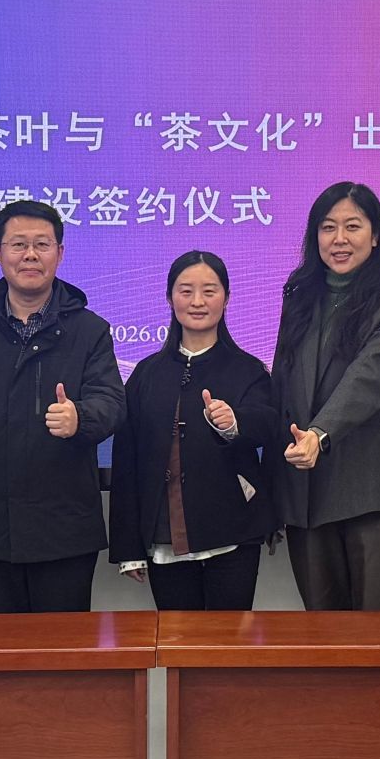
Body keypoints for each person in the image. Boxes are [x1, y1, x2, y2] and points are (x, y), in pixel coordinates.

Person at [0, 200, 124, 613]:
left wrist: (80, 417)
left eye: (42, 244)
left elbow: (111, 402)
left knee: (63, 650)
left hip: (64, 532)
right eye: (18, 244)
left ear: (60, 252)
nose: (30, 255)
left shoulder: (90, 330)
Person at [271, 182, 380, 611]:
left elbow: (367, 378)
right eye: (328, 227)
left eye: (352, 226)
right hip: (307, 494)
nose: (339, 239)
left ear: (375, 236)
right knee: (322, 637)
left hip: (372, 493)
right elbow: (283, 387)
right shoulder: (299, 298)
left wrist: (319, 433)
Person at [109, 251, 278, 609]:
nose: (197, 301)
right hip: (163, 534)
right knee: (177, 640)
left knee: (229, 641)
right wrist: (128, 548)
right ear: (170, 298)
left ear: (226, 298)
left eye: (209, 291)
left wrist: (234, 423)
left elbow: (267, 424)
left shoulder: (248, 369)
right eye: (186, 291)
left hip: (232, 533)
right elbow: (127, 462)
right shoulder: (145, 375)